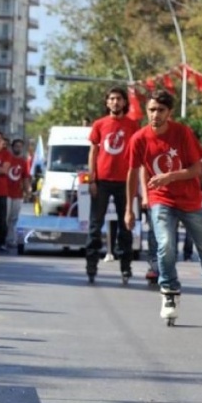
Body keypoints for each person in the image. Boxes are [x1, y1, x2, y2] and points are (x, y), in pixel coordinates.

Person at [125, 90, 202, 324]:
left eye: (160, 110)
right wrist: (129, 208)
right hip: (161, 200)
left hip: (189, 200)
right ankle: (169, 293)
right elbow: (132, 173)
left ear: (169, 113)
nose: (155, 115)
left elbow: (197, 170)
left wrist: (169, 177)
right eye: (151, 110)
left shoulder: (182, 133)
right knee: (166, 245)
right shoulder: (139, 139)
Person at [85, 86, 139, 284]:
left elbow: (137, 154)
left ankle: (125, 267)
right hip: (102, 181)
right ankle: (91, 265)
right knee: (95, 226)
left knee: (126, 226)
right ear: (107, 102)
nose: (115, 102)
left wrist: (138, 184)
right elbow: (93, 152)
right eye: (112, 99)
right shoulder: (99, 124)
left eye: (119, 99)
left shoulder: (132, 125)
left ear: (125, 102)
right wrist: (92, 179)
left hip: (124, 182)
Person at [5, 138, 31, 248]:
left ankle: (10, 240)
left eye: (20, 146)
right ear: (12, 147)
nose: (18, 148)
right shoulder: (7, 159)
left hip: (18, 194)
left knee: (14, 218)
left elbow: (25, 178)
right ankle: (1, 238)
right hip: (6, 193)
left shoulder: (23, 162)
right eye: (16, 146)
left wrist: (27, 191)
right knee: (5, 217)